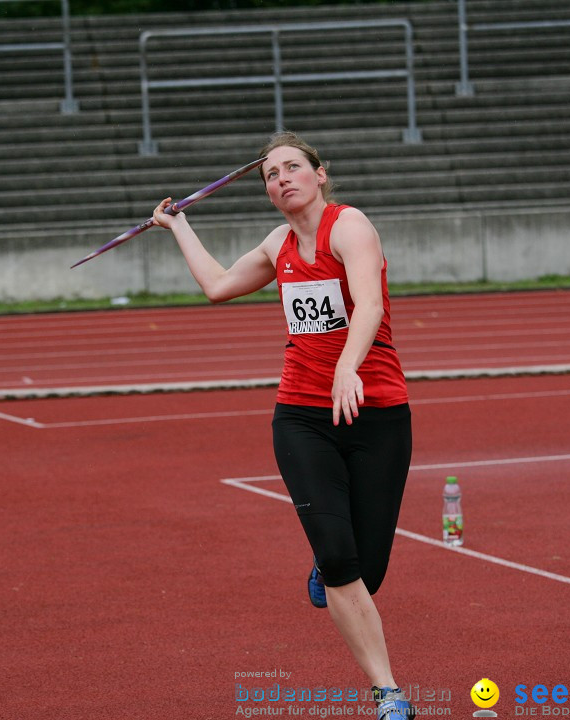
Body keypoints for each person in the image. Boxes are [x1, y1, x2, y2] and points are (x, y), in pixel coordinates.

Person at [152, 131, 415, 720]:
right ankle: (388, 693)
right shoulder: (278, 245)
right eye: (271, 175)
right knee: (344, 561)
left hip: (376, 413)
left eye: (293, 167)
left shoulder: (349, 228)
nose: (282, 179)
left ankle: (331, 569)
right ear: (267, 191)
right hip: (302, 416)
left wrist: (348, 368)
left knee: (366, 571)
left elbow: (368, 305)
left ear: (320, 174)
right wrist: (179, 227)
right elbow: (218, 287)